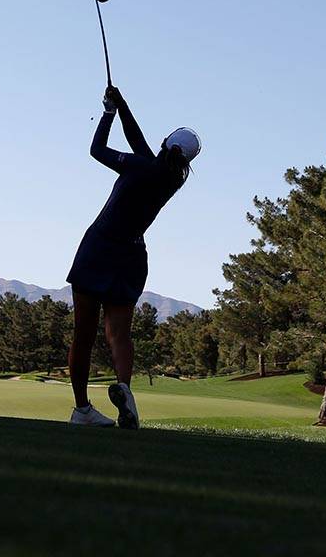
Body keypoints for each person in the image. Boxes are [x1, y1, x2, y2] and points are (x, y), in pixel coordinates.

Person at [66, 85, 201, 428]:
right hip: (131, 256)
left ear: (167, 144)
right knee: (120, 334)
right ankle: (124, 387)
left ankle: (82, 409)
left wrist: (108, 113)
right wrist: (122, 104)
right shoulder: (170, 177)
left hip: (99, 248)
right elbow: (138, 141)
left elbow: (96, 150)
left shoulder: (140, 167)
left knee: (84, 333)